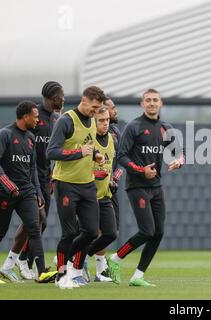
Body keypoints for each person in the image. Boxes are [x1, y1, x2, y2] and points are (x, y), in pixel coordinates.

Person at [106, 88, 184, 287]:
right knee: (147, 231)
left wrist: (179, 161)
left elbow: (178, 152)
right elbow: (121, 156)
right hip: (137, 186)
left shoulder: (166, 128)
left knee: (158, 233)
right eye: (147, 100)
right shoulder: (134, 127)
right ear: (142, 104)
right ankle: (115, 259)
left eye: (155, 100)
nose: (151, 103)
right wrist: (141, 170)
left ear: (161, 103)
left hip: (156, 187)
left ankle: (138, 276)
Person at [47, 86, 106, 289]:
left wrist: (96, 154)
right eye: (95, 107)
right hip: (66, 184)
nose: (96, 111)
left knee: (90, 232)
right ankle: (61, 275)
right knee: (69, 233)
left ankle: (73, 268)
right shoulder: (66, 120)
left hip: (87, 184)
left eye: (99, 108)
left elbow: (89, 144)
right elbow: (51, 152)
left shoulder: (91, 121)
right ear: (84, 100)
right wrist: (81, 152)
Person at [0, 101, 57, 284]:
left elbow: (33, 169)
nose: (38, 120)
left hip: (26, 192)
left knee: (35, 227)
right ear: (26, 116)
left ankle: (42, 272)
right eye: (35, 116)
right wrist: (7, 184)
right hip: (5, 192)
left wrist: (37, 193)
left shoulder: (30, 138)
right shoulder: (5, 134)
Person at [5, 81, 64, 280]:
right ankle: (20, 261)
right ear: (49, 96)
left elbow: (56, 151)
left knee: (41, 223)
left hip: (46, 178)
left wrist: (53, 175)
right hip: (30, 178)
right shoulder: (33, 116)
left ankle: (22, 261)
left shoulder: (57, 119)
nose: (62, 99)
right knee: (38, 220)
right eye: (59, 95)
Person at [88, 97, 123, 282]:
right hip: (87, 193)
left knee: (110, 232)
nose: (106, 120)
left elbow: (120, 161)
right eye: (102, 118)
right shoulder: (88, 137)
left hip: (107, 192)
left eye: (107, 119)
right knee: (88, 232)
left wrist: (113, 178)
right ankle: (75, 263)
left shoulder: (114, 136)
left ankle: (85, 261)